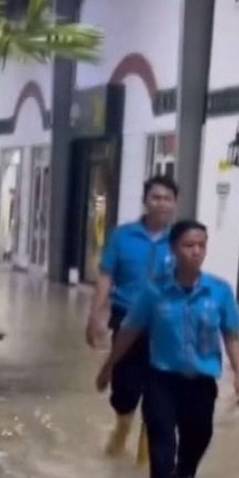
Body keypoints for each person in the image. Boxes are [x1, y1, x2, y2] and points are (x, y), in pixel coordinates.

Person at [95, 219, 239, 478]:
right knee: (162, 439)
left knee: (198, 440)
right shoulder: (155, 292)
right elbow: (130, 330)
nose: (195, 252)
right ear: (174, 249)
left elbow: (232, 333)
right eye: (188, 245)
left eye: (201, 245)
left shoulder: (218, 291)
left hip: (201, 384)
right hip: (162, 379)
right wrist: (109, 365)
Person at [86, 174, 179, 461]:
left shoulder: (180, 241)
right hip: (126, 319)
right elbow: (105, 277)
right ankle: (123, 425)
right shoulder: (122, 236)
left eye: (168, 199)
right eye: (156, 197)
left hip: (164, 326)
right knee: (125, 389)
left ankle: (145, 456)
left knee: (159, 393)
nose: (161, 204)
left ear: (175, 204)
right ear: (145, 201)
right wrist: (95, 316)